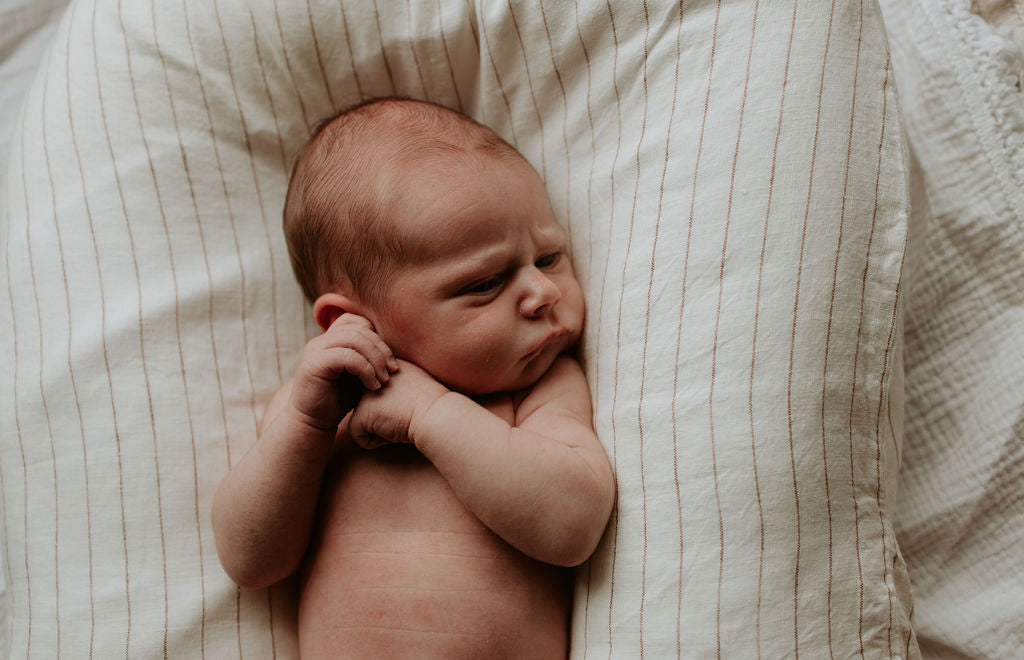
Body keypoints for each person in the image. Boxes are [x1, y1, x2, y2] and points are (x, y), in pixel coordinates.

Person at [211, 97, 615, 658]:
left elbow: (573, 527)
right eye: (484, 283)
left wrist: (431, 414)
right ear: (351, 322)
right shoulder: (323, 409)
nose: (543, 292)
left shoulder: (537, 390)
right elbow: (250, 561)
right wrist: (304, 422)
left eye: (548, 258)